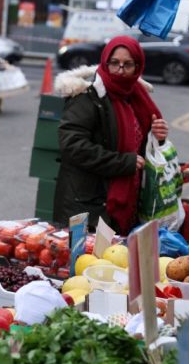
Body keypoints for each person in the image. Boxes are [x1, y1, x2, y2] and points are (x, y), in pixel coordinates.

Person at [52, 35, 169, 234]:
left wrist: (157, 136)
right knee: (86, 263)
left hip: (125, 200)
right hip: (88, 204)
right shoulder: (88, 96)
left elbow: (139, 143)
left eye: (127, 65)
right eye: (114, 63)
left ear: (138, 67)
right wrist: (122, 163)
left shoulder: (137, 96)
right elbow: (72, 145)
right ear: (105, 62)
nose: (120, 71)